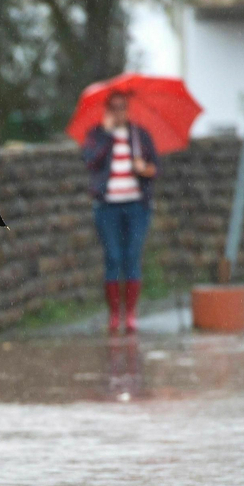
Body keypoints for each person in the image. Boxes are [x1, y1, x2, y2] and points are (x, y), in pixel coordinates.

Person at [79, 91, 158, 334]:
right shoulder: (96, 135)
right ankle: (115, 315)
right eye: (113, 107)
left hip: (136, 205)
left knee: (132, 256)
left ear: (128, 109)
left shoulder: (139, 135)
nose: (119, 111)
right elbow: (90, 161)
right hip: (107, 206)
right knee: (113, 257)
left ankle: (131, 314)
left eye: (122, 107)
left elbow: (155, 167)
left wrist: (143, 168)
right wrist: (106, 135)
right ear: (107, 110)